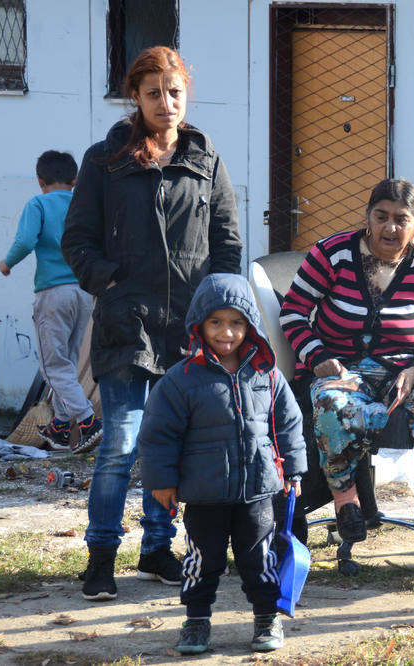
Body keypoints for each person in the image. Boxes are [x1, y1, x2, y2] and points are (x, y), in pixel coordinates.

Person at [61, 46, 242, 602]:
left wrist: (217, 310)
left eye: (175, 92)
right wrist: (109, 281)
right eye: (153, 93)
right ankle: (101, 557)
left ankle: (157, 550)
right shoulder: (105, 160)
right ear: (134, 98)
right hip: (127, 323)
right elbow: (77, 240)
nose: (166, 103)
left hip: (189, 328)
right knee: (121, 441)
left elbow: (227, 243)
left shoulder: (205, 158)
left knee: (175, 446)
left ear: (186, 94)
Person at [279, 178, 414, 558]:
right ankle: (347, 503)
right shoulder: (332, 254)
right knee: (332, 405)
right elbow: (293, 312)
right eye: (380, 217)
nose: (390, 228)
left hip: (406, 372)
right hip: (342, 370)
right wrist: (317, 359)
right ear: (367, 216)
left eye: (401, 219)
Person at [139, 273, 306, 654]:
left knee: (260, 558)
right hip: (204, 494)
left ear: (250, 326)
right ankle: (196, 621)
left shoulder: (268, 375)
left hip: (258, 492)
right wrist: (161, 481)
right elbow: (158, 434)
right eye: (216, 322)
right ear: (200, 324)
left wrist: (293, 471)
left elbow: (289, 424)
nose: (226, 332)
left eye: (236, 322)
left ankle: (267, 617)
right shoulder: (181, 380)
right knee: (203, 560)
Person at [0, 150, 103, 454]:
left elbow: (25, 241)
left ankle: (87, 421)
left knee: (53, 368)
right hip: (83, 293)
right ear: (75, 180)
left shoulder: (38, 203)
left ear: (40, 179)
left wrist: (7, 264)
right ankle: (59, 426)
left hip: (53, 294)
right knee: (68, 362)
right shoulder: (83, 205)